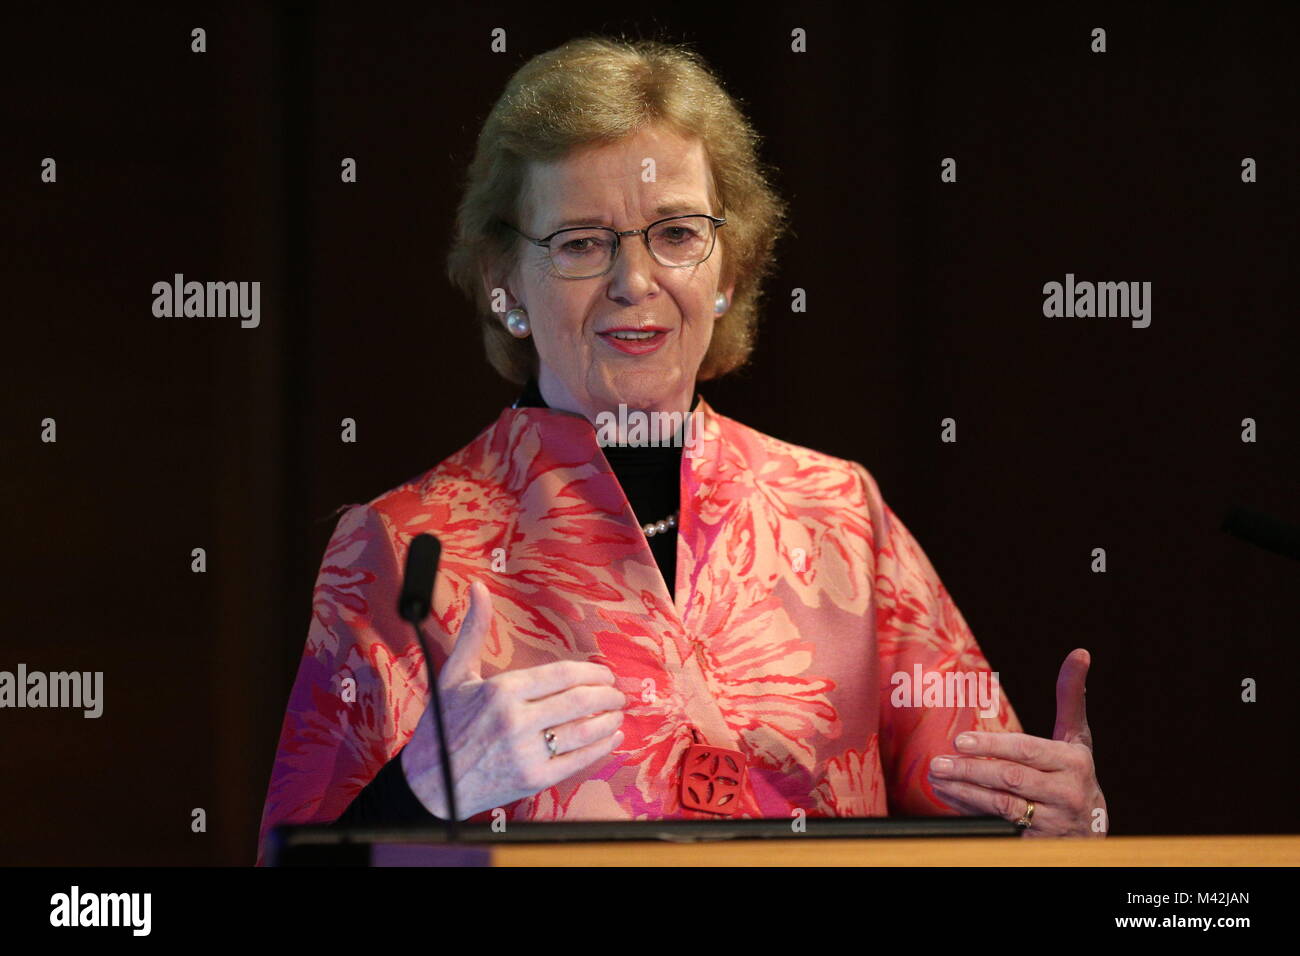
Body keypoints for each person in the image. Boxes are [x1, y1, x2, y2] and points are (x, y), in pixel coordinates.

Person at [255, 35, 1106, 865]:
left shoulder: (842, 512)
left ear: (726, 267)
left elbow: (998, 834)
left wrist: (1064, 829)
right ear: (502, 281)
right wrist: (419, 796)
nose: (635, 282)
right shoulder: (404, 551)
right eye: (582, 242)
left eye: (676, 234)